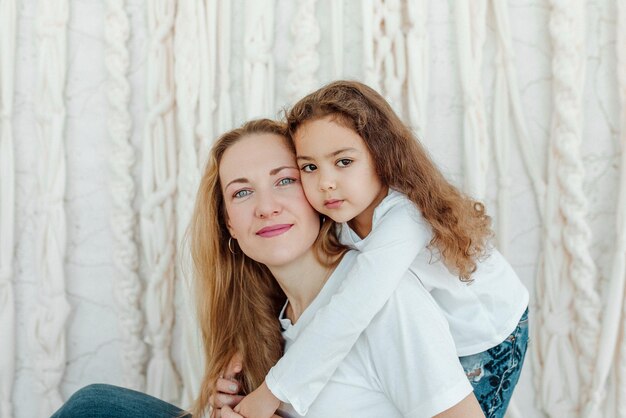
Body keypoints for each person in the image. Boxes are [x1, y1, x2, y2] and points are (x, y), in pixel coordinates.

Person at [51, 119, 484, 418]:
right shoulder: (274, 329)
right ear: (229, 226)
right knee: (96, 406)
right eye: (241, 193)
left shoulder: (384, 300)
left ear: (319, 193)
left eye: (285, 180)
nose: (266, 207)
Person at [227, 81, 529, 418]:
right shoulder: (343, 217)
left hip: (494, 337)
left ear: (381, 157)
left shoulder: (405, 216)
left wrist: (273, 391)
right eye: (310, 167)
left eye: (343, 162)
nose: (326, 182)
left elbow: (355, 306)